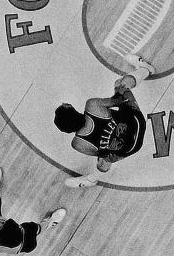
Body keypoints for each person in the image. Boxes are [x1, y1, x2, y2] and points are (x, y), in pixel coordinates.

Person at [54, 54, 153, 187]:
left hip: (132, 148)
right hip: (137, 123)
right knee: (120, 84)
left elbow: (101, 153)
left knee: (105, 159)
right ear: (71, 108)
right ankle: (145, 69)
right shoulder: (92, 105)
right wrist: (118, 94)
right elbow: (119, 100)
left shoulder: (77, 143)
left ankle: (91, 179)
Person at [0, 166, 66, 253]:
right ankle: (49, 222)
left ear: (1, 228)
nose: (9, 220)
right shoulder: (26, 239)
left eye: (7, 222)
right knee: (36, 228)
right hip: (24, 239)